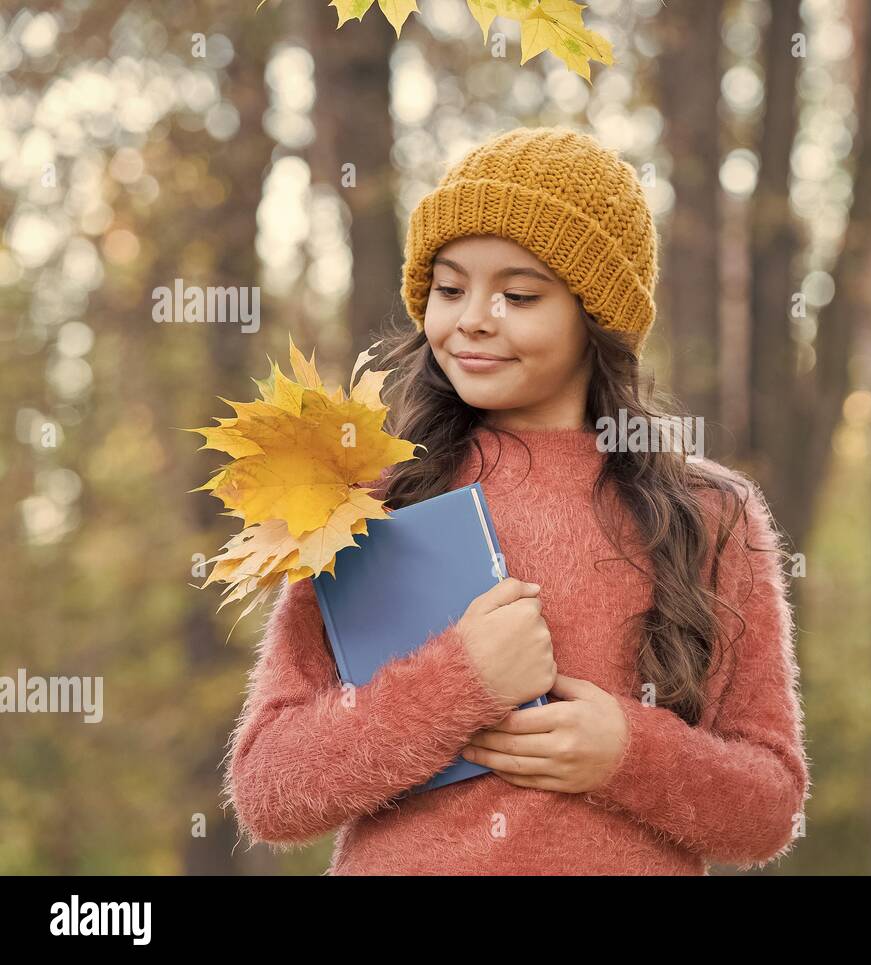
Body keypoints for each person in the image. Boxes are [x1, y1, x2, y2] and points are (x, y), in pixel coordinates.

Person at [223, 126, 810, 875]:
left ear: (596, 314)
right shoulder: (369, 503)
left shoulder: (708, 513)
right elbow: (270, 790)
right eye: (449, 287)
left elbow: (767, 807)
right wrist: (456, 682)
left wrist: (626, 753)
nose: (472, 318)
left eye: (519, 294)